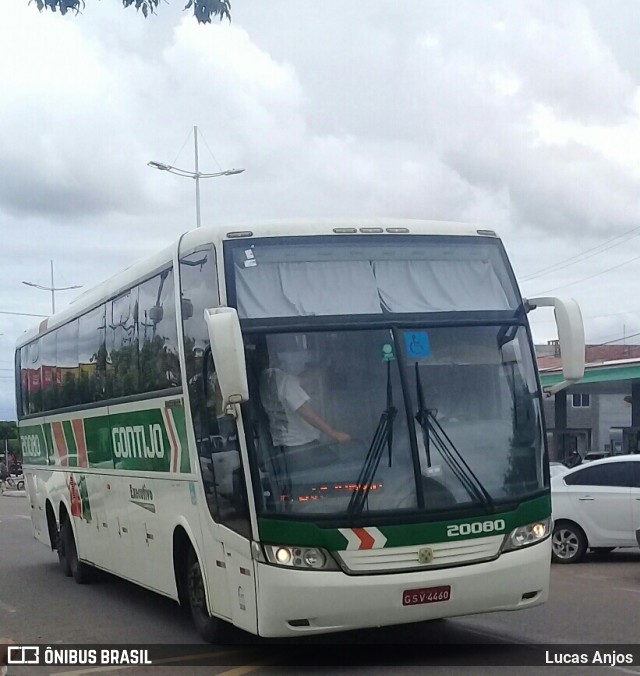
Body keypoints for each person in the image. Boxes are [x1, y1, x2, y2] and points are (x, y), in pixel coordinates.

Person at [259, 350, 351, 456]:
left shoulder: (266, 378)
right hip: (301, 445)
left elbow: (301, 380)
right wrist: (335, 435)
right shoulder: (286, 381)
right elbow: (306, 413)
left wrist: (323, 366)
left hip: (281, 444)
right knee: (339, 465)